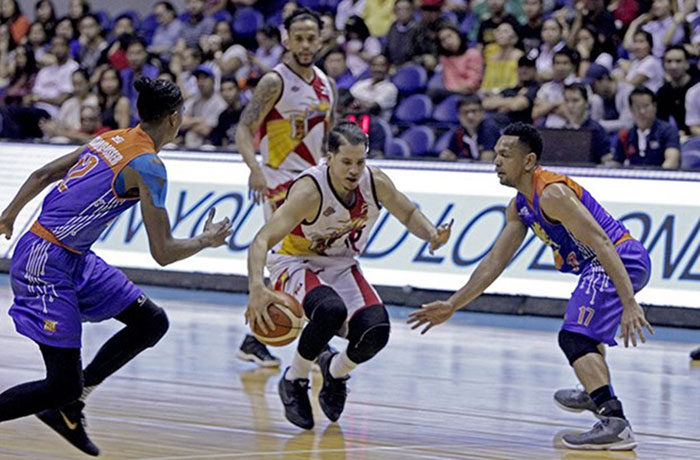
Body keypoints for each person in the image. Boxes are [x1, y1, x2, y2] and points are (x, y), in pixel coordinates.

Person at [0, 76, 232, 456]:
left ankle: (72, 405)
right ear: (174, 119)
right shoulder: (149, 166)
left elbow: (43, 174)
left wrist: (9, 215)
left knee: (151, 322)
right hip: (44, 259)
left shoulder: (113, 138)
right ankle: (67, 398)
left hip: (73, 257)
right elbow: (163, 252)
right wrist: (206, 240)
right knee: (60, 385)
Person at [408, 122, 654, 451]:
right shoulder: (520, 206)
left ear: (528, 161)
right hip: (600, 264)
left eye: (505, 154)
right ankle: (594, 388)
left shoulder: (552, 193)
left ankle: (614, 421)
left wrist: (629, 303)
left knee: (574, 336)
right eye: (495, 153)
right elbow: (494, 262)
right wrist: (453, 304)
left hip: (619, 258)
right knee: (584, 330)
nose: (496, 160)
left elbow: (604, 245)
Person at [246, 122, 452, 430]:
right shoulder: (308, 190)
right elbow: (261, 240)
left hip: (341, 263)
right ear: (329, 158)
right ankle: (295, 378)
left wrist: (431, 234)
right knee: (330, 311)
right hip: (294, 262)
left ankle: (336, 372)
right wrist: (256, 289)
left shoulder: (375, 182)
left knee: (376, 330)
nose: (354, 170)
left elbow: (407, 212)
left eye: (360, 162)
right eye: (346, 162)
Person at [235, 8, 337, 368]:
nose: (306, 44)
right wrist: (254, 168)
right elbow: (244, 129)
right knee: (291, 262)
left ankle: (255, 339)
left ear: (321, 39)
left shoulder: (327, 83)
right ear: (286, 39)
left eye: (312, 37)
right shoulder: (273, 82)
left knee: (315, 261)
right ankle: (316, 344)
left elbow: (329, 139)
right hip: (279, 185)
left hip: (315, 185)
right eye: (299, 38)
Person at [611, 86, 680, 169]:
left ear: (654, 107)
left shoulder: (668, 131)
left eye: (646, 106)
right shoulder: (625, 135)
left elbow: (672, 160)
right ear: (631, 109)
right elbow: (616, 163)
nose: (642, 111)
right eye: (637, 107)